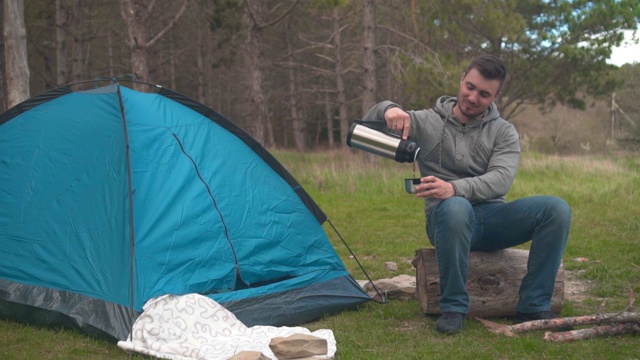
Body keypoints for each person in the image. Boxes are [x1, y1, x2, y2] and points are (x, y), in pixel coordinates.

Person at [362, 54, 571, 334]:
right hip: (445, 219)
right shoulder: (425, 122)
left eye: (484, 94)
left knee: (556, 210)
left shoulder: (504, 132)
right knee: (456, 206)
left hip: (494, 220)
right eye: (470, 87)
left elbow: (501, 179)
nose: (473, 97)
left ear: (496, 95)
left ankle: (533, 305)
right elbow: (363, 131)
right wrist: (388, 109)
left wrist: (455, 187)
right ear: (462, 79)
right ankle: (453, 306)